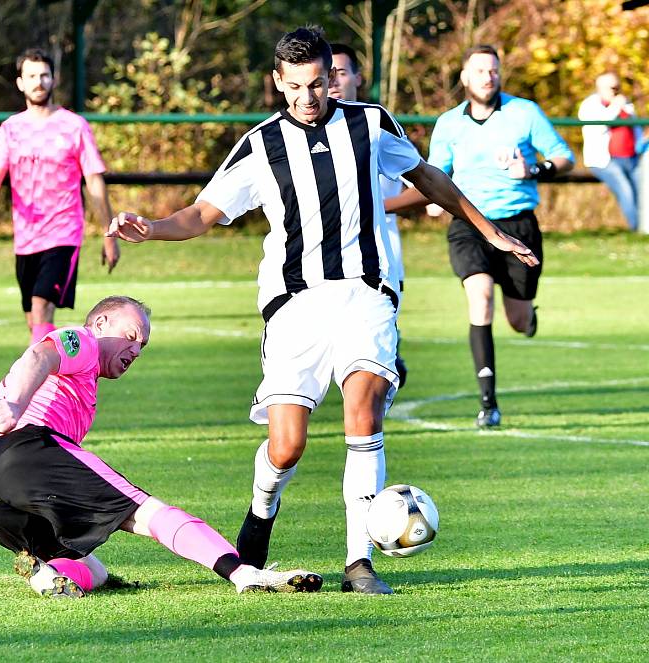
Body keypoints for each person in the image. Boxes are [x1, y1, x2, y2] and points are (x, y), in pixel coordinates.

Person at [112, 27, 537, 595]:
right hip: (295, 305)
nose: (308, 97)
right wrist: (153, 230)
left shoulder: (370, 123)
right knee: (287, 445)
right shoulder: (260, 146)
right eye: (295, 87)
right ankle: (262, 511)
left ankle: (359, 562)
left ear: (330, 77)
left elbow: (429, 178)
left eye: (318, 83)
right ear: (276, 82)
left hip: (367, 294)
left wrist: (491, 231)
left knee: (364, 414)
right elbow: (202, 215)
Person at [0, 295, 323, 597]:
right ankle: (243, 573)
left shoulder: (83, 386)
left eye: (142, 345)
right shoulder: (83, 339)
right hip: (21, 449)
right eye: (131, 335)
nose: (136, 349)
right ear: (101, 324)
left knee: (91, 569)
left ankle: (46, 576)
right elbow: (39, 355)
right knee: (146, 512)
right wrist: (16, 405)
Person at [386, 44, 574, 428]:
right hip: (469, 226)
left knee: (518, 320)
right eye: (479, 71)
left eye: (493, 70)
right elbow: (436, 173)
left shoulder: (524, 113)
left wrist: (533, 171)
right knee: (481, 297)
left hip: (519, 224)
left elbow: (564, 157)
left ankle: (527, 316)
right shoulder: (449, 123)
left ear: (500, 74)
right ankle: (488, 403)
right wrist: (434, 201)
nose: (487, 77)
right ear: (464, 77)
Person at [0, 48, 120, 344]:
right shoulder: (10, 129)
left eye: (44, 75)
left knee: (41, 306)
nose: (39, 82)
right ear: (20, 82)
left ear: (54, 80)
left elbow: (94, 182)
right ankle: (54, 373)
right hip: (26, 237)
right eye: (31, 76)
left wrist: (110, 235)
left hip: (64, 232)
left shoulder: (74, 126)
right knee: (33, 318)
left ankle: (35, 385)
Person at [329, 42, 408, 388]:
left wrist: (373, 207)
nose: (331, 81)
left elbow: (424, 184)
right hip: (318, 264)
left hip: (378, 260)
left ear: (358, 78)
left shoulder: (374, 125)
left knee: (368, 374)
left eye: (340, 73)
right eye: (324, 74)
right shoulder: (295, 131)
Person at [578, 72, 643, 232]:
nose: (616, 91)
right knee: (626, 191)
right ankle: (638, 231)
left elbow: (635, 129)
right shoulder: (590, 105)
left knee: (641, 194)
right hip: (605, 160)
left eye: (618, 87)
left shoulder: (625, 104)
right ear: (600, 88)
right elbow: (599, 126)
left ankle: (643, 228)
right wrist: (616, 105)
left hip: (631, 157)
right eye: (612, 88)